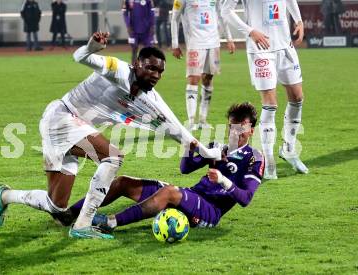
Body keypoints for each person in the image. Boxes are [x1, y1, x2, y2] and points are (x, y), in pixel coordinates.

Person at [0, 31, 222, 239]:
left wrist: (205, 151)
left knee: (56, 206)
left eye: (160, 71)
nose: (155, 75)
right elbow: (81, 57)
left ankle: (5, 196)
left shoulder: (150, 99)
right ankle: (83, 224)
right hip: (61, 117)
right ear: (136, 64)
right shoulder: (118, 69)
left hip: (71, 129)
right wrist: (92, 45)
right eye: (150, 68)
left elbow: (177, 130)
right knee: (113, 157)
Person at [62, 102, 264, 233]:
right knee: (124, 182)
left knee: (169, 192)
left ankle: (110, 223)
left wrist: (222, 179)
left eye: (242, 127)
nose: (236, 131)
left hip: (210, 212)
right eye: (232, 126)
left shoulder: (254, 158)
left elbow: (245, 199)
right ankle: (71, 213)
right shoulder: (216, 148)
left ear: (251, 130)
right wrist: (188, 148)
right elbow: (186, 169)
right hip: (190, 196)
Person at [222, 0, 309, 179]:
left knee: (298, 98)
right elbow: (225, 11)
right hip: (261, 49)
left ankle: (289, 150)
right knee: (270, 103)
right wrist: (250, 31)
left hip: (285, 45)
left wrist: (298, 20)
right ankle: (269, 164)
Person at [171, 0, 236, 131]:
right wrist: (175, 44)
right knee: (193, 79)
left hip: (213, 43)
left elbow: (221, 15)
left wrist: (229, 38)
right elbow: (174, 19)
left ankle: (202, 120)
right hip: (195, 43)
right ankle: (190, 122)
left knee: (208, 80)